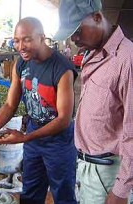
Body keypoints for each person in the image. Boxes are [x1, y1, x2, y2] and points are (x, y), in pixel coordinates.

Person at [0, 17, 77, 204]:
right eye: (16, 41)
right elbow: (10, 105)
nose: (20, 46)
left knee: (63, 195)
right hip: (35, 132)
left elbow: (63, 119)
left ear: (42, 38)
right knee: (31, 192)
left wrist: (25, 137)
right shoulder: (21, 64)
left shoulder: (61, 68)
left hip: (58, 141)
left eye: (27, 39)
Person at [53, 0, 133, 203]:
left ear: (97, 17)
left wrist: (121, 190)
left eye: (78, 31)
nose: (74, 39)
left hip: (108, 174)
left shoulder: (126, 59)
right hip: (89, 167)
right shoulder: (94, 53)